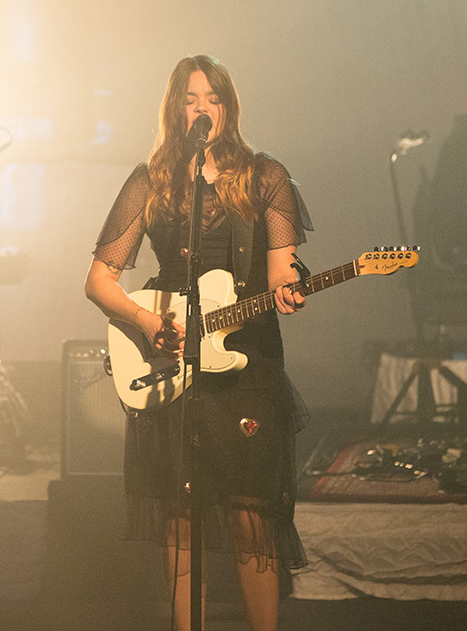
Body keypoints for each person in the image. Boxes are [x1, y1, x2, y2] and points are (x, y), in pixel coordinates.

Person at [84, 55, 312, 631]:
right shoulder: (151, 181)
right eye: (190, 98)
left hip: (248, 361)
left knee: (249, 516)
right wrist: (144, 320)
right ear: (175, 110)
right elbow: (98, 280)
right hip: (173, 357)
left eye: (212, 96)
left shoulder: (266, 177)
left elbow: (283, 266)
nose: (202, 106)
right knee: (181, 517)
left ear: (228, 107)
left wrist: (288, 287)